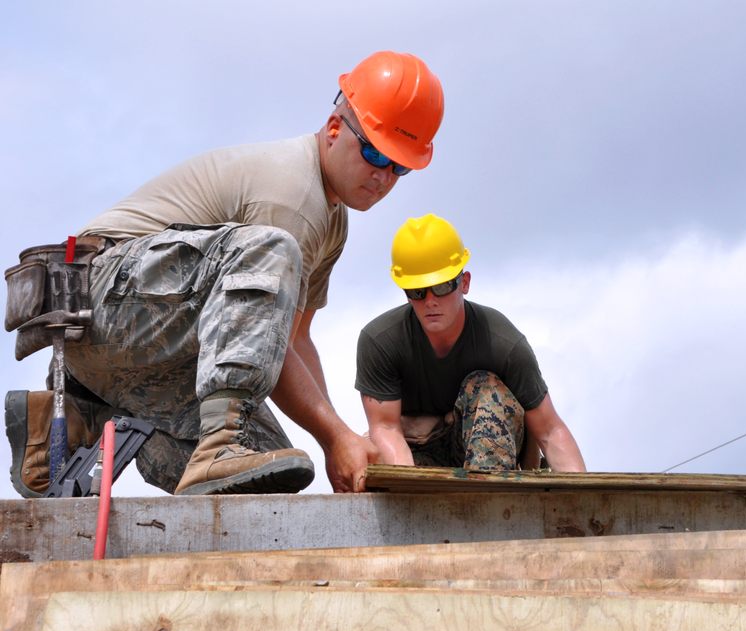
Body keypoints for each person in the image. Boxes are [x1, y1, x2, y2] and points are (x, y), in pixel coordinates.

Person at [6, 51, 444, 497]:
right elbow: (270, 332)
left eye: (399, 166)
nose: (383, 176)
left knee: (267, 478)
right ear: (334, 129)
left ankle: (79, 418)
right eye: (373, 151)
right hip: (96, 299)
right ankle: (217, 446)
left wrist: (337, 438)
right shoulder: (294, 196)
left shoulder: (333, 221)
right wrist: (335, 436)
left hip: (137, 342)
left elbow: (290, 341)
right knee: (271, 249)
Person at [355, 214, 587, 472]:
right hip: (418, 456)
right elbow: (385, 428)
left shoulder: (502, 343)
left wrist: (583, 505)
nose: (430, 301)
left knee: (486, 387)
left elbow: (550, 431)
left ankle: (486, 499)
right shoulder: (380, 342)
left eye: (442, 287)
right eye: (417, 291)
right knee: (363, 457)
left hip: (493, 460)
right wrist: (410, 495)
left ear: (464, 283)